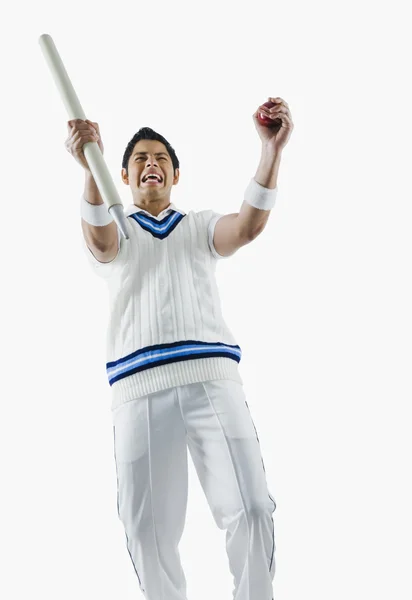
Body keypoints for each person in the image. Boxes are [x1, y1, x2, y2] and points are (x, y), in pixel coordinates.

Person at [65, 97, 293, 600]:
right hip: (139, 390)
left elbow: (249, 226)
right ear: (121, 177)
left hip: (213, 381)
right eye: (139, 159)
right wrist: (88, 167)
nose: (151, 164)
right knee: (147, 532)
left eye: (161, 158)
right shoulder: (118, 230)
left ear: (175, 174)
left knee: (253, 508)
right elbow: (100, 242)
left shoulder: (199, 227)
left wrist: (271, 152)